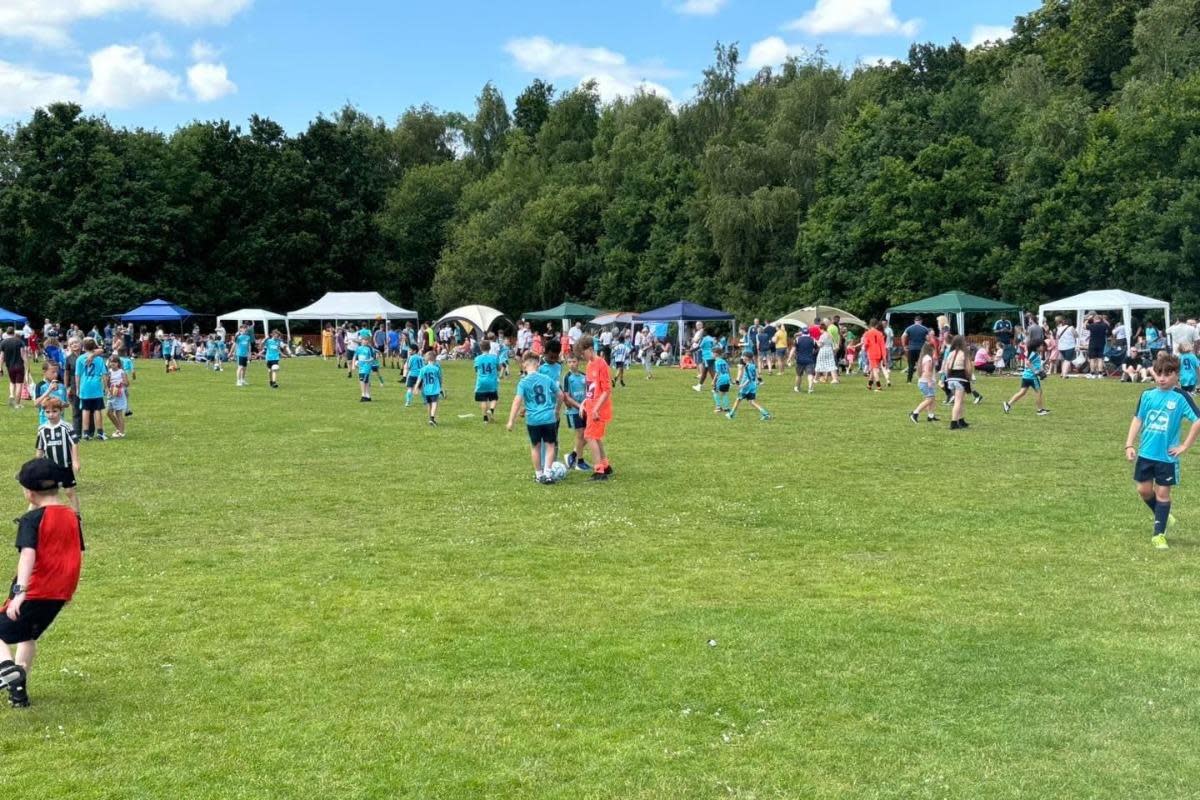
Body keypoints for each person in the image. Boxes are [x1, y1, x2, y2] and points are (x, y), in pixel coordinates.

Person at [0, 459, 85, 708]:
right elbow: (75, 554)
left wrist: (20, 592)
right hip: (58, 593)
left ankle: (7, 670)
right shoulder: (72, 516)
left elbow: (28, 555)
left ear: (30, 492)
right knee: (28, 635)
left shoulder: (33, 519)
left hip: (34, 590)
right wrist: (67, 592)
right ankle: (18, 693)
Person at [1125, 353, 1200, 549]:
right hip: (1146, 454)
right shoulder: (1147, 395)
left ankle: (1159, 535)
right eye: (1158, 373)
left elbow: (1197, 421)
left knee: (1163, 494)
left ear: (1177, 375)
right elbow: (1138, 419)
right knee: (1143, 490)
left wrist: (1184, 446)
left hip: (1167, 457)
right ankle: (1164, 515)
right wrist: (1129, 444)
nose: (1162, 378)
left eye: (1167, 374)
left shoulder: (1181, 397)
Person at [506, 352, 565, 484]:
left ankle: (539, 475)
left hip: (533, 419)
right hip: (548, 418)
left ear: (524, 365)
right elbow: (560, 395)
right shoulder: (546, 379)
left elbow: (517, 400)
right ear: (538, 364)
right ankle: (548, 474)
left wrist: (511, 421)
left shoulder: (523, 382)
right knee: (550, 445)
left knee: (535, 447)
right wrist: (556, 410)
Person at [34, 396, 82, 513]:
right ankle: (30, 514)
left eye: (54, 411)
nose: (51, 414)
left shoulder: (66, 427)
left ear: (61, 411)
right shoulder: (42, 429)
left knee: (69, 491)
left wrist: (75, 461)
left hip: (65, 466)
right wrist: (36, 464)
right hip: (49, 467)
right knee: (42, 491)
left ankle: (77, 514)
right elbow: (40, 448)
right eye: (48, 412)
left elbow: (74, 444)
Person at [577, 336, 614, 481]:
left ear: (591, 349)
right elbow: (591, 389)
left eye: (583, 353)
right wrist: (584, 403)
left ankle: (599, 471)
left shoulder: (601, 364)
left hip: (598, 409)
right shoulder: (589, 365)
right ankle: (605, 466)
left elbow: (606, 390)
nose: (582, 356)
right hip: (591, 407)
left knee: (589, 436)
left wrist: (596, 408)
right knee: (596, 437)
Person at [562, 354, 592, 472]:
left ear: (578, 362)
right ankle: (579, 462)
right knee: (580, 435)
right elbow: (567, 396)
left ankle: (573, 455)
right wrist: (579, 406)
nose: (572, 364)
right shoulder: (567, 377)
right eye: (569, 362)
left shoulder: (584, 376)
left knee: (588, 434)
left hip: (586, 409)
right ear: (567, 364)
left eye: (574, 361)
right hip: (574, 410)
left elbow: (589, 392)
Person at [74, 339, 108, 441]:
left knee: (86, 410)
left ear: (83, 347)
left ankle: (85, 433)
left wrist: (78, 388)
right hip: (96, 386)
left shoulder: (80, 358)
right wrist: (106, 387)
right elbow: (104, 374)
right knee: (97, 410)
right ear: (95, 347)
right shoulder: (99, 359)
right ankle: (100, 432)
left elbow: (77, 375)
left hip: (85, 386)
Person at [1003, 343, 1050, 417]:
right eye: (1042, 346)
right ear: (1037, 346)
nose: (1043, 347)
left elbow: (1036, 364)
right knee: (1039, 391)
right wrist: (1035, 371)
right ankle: (1040, 410)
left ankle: (1008, 404)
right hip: (1032, 376)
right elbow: (1028, 363)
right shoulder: (1034, 354)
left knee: (1022, 392)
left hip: (1026, 376)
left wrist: (1042, 370)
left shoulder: (1035, 354)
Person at [727, 351, 771, 421]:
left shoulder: (747, 367)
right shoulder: (753, 365)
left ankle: (731, 414)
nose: (742, 358)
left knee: (738, 399)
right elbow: (756, 375)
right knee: (752, 402)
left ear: (746, 358)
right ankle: (765, 414)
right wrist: (759, 381)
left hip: (746, 386)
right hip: (753, 386)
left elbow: (749, 379)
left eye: (743, 356)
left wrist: (742, 386)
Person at [943, 336, 974, 430]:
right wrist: (970, 377)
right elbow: (968, 368)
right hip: (961, 378)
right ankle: (953, 423)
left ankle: (961, 420)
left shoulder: (951, 353)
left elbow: (946, 367)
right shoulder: (965, 354)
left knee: (960, 400)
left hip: (951, 378)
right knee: (958, 402)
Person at [908, 342, 940, 424]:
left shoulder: (925, 357)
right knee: (929, 399)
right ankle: (915, 413)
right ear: (931, 349)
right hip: (925, 382)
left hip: (924, 381)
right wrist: (929, 381)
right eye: (934, 348)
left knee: (931, 399)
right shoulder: (928, 358)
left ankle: (931, 416)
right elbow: (927, 371)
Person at [474, 340, 500, 423]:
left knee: (483, 400)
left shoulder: (477, 358)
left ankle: (485, 418)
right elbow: (498, 368)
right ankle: (491, 410)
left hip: (481, 381)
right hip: (492, 381)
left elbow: (476, 369)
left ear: (481, 348)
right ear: (489, 348)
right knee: (494, 398)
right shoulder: (494, 357)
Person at [2, 328, 28, 409]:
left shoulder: (3, 342)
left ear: (7, 333)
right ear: (14, 332)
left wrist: (0, 368)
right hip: (19, 366)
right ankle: (17, 404)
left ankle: (11, 395)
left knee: (12, 381)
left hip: (9, 367)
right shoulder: (19, 341)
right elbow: (22, 354)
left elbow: (1, 357)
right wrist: (27, 365)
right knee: (19, 384)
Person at [415, 349, 443, 425]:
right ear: (434, 359)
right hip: (434, 389)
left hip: (426, 390)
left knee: (429, 404)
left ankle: (430, 418)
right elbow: (440, 379)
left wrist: (416, 388)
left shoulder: (423, 369)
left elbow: (419, 380)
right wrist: (440, 387)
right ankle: (432, 418)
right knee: (435, 403)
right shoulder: (436, 368)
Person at [105, 355, 128, 438]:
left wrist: (120, 384)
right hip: (111, 394)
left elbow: (127, 383)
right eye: (111, 362)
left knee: (118, 413)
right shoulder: (109, 372)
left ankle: (121, 432)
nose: (113, 364)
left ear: (118, 363)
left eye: (115, 362)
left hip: (119, 394)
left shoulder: (121, 372)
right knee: (108, 412)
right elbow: (107, 383)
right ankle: (119, 428)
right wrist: (107, 388)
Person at [902, 316, 930, 382]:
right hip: (921, 349)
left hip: (911, 349)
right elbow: (928, 338)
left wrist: (904, 345)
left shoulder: (909, 328)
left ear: (914, 321)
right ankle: (922, 378)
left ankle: (909, 380)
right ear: (921, 321)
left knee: (911, 365)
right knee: (921, 364)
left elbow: (903, 336)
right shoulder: (925, 329)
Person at [862, 320, 888, 392]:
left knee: (874, 369)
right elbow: (883, 346)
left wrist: (865, 349)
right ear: (876, 325)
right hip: (879, 353)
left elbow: (866, 344)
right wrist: (884, 356)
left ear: (870, 325)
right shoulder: (880, 333)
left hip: (871, 353)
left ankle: (879, 386)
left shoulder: (867, 333)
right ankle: (869, 385)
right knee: (872, 369)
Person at [792, 325, 816, 394]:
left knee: (799, 374)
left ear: (802, 332)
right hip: (809, 359)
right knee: (810, 374)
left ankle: (797, 387)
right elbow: (816, 348)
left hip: (800, 360)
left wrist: (789, 358)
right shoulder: (813, 339)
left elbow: (793, 349)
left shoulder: (797, 339)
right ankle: (810, 388)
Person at [353, 332, 375, 403]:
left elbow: (373, 358)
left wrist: (367, 361)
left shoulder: (369, 349)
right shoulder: (358, 348)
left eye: (366, 340)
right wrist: (354, 364)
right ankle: (367, 396)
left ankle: (363, 395)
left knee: (363, 380)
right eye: (364, 340)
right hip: (360, 367)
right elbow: (355, 357)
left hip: (367, 367)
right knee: (365, 381)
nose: (365, 341)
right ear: (361, 341)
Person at [710, 346, 733, 413]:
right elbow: (728, 370)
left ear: (715, 354)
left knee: (715, 391)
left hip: (721, 378)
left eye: (712, 353)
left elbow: (718, 372)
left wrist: (713, 380)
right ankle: (727, 408)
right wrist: (730, 379)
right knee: (724, 393)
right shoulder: (724, 361)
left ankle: (718, 407)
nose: (711, 354)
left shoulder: (717, 362)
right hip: (727, 377)